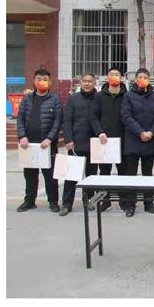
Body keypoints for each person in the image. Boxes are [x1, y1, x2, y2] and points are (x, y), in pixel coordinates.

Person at [16, 67, 63, 212]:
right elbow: (20, 118)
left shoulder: (54, 99)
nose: (41, 82)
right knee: (30, 175)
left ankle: (53, 202)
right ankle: (29, 201)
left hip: (47, 145)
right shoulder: (27, 99)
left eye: (45, 79)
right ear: (34, 81)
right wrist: (22, 136)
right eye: (39, 79)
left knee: (50, 176)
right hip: (28, 145)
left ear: (50, 82)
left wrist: (50, 138)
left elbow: (58, 121)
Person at [119, 68, 154, 217]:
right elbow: (126, 116)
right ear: (135, 80)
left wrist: (151, 132)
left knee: (147, 174)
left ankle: (149, 203)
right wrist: (140, 132)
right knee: (131, 174)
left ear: (148, 80)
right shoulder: (128, 96)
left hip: (149, 140)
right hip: (133, 140)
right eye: (140, 77)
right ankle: (130, 204)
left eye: (145, 77)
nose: (142, 79)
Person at [59, 72, 99, 216]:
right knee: (71, 175)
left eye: (90, 81)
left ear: (94, 83)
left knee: (91, 175)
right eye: (84, 81)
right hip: (76, 143)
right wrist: (68, 139)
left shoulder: (99, 98)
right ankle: (67, 204)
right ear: (80, 83)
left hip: (94, 143)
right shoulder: (73, 99)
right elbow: (67, 120)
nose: (87, 83)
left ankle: (89, 201)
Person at [91, 67, 127, 212]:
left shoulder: (127, 95)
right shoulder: (99, 96)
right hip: (104, 141)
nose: (114, 77)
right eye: (111, 74)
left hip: (123, 140)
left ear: (121, 78)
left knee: (123, 173)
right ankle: (105, 201)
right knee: (104, 173)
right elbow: (93, 116)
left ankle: (124, 202)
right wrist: (99, 132)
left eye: (117, 75)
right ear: (107, 77)